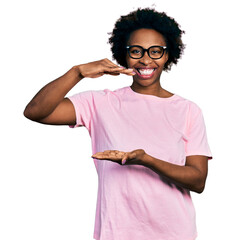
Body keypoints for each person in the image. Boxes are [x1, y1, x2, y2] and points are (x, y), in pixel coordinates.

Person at [24, 8, 212, 240]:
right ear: (124, 54)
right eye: (136, 51)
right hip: (116, 232)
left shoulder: (188, 110)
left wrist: (146, 160)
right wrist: (77, 72)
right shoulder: (99, 102)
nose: (145, 59)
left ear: (167, 55)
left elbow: (198, 180)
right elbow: (35, 111)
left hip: (174, 232)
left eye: (155, 51)